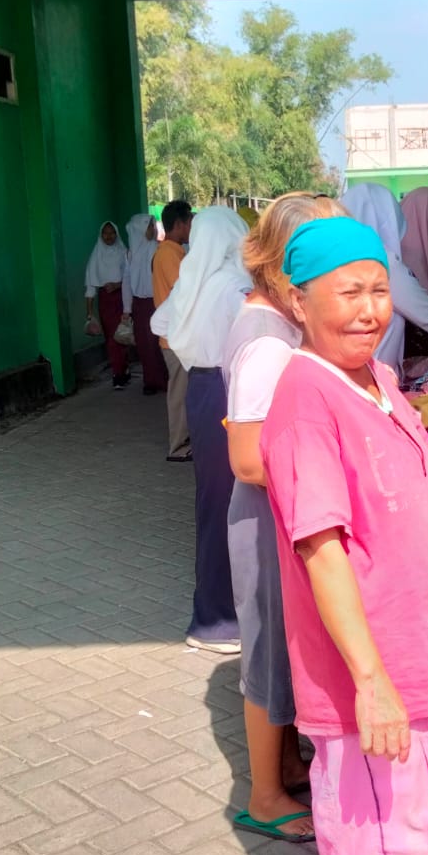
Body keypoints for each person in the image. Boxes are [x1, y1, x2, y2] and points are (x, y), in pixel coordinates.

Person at [261, 215, 428, 855]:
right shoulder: (304, 398)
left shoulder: (379, 380)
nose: (369, 309)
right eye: (347, 292)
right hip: (373, 663)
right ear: (298, 301)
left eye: (380, 290)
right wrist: (370, 681)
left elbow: (413, 466)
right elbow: (321, 549)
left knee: (407, 819)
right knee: (362, 824)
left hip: (427, 647)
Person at [224, 193, 342, 844]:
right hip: (268, 512)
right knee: (269, 648)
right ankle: (264, 796)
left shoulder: (274, 320)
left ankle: (286, 766)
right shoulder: (265, 339)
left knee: (283, 644)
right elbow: (248, 458)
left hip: (280, 507)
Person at [153, 206, 250, 655]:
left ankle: (213, 614)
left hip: (202, 387)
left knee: (212, 504)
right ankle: (222, 619)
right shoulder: (233, 286)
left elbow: (160, 324)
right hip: (230, 391)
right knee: (235, 505)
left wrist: (194, 347)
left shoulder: (195, 279)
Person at [340, 182, 428, 367]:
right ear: (389, 219)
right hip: (370, 380)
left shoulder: (337, 259)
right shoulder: (380, 262)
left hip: (352, 377)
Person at [153, 200, 195, 460]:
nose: (191, 228)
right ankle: (177, 446)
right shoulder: (168, 253)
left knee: (184, 390)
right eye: (189, 223)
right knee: (178, 392)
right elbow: (184, 291)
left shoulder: (175, 251)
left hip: (178, 334)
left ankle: (184, 438)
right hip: (173, 337)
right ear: (179, 224)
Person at [122, 213, 169, 396]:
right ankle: (150, 381)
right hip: (139, 305)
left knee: (158, 342)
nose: (153, 230)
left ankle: (164, 379)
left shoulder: (159, 249)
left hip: (157, 301)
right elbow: (126, 281)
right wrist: (127, 308)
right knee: (144, 345)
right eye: (149, 226)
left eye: (152, 226)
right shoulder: (130, 254)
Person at [84, 221, 130, 389]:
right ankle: (117, 374)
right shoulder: (96, 255)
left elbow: (130, 276)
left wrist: (118, 285)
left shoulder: (123, 253)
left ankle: (123, 368)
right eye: (105, 233)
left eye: (112, 233)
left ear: (117, 234)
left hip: (123, 298)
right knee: (112, 338)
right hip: (105, 300)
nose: (109, 236)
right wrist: (89, 313)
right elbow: (90, 286)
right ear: (100, 235)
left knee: (123, 335)